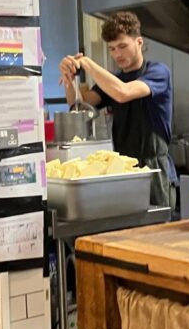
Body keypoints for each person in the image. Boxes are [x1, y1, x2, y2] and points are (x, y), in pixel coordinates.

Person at [60, 11, 176, 208]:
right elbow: (78, 106)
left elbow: (123, 92)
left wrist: (87, 63)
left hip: (155, 174)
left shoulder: (158, 72)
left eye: (122, 46)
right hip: (124, 173)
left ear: (139, 42)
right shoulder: (114, 80)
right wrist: (69, 81)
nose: (117, 54)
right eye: (112, 49)